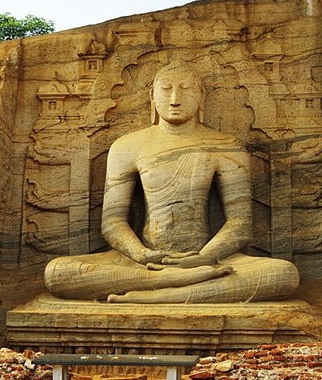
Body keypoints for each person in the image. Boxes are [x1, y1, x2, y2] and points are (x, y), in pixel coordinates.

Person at [43, 61, 300, 303]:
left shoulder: (225, 145)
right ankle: (167, 281)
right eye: (165, 90)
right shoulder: (127, 146)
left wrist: (203, 258)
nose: (175, 99)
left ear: (202, 97)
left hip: (208, 259)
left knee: (283, 274)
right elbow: (112, 222)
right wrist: (140, 254)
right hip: (142, 263)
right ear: (152, 97)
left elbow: (240, 223)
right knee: (58, 273)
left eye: (186, 90)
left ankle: (154, 295)